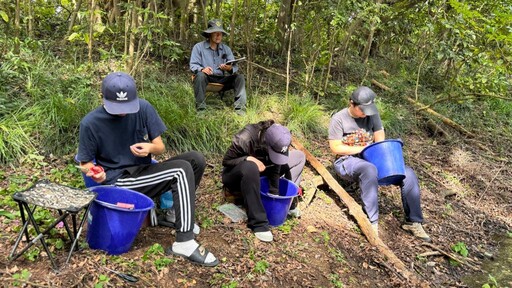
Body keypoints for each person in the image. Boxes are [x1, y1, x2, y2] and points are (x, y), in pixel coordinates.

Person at [77, 72, 219, 266]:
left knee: (196, 159)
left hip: (142, 171)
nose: (123, 112)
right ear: (103, 98)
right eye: (118, 107)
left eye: (126, 106)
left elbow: (160, 147)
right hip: (117, 180)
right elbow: (85, 164)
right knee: (180, 170)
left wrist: (150, 149)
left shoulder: (143, 108)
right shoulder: (90, 123)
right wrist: (97, 174)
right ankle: (184, 242)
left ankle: (172, 215)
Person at [328, 86, 431, 242]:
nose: (365, 114)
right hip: (346, 160)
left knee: (407, 173)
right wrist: (363, 148)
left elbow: (379, 139)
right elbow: (335, 147)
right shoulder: (339, 118)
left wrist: (381, 155)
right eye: (362, 110)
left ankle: (413, 221)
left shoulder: (372, 114)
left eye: (368, 110)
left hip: (371, 157)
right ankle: (372, 222)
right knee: (369, 169)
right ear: (351, 103)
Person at [222, 120, 306, 242]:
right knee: (251, 166)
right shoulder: (246, 138)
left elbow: (276, 167)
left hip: (263, 170)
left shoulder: (281, 138)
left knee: (299, 156)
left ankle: (288, 203)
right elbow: (226, 161)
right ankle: (258, 223)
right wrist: (248, 158)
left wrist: (274, 193)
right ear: (266, 142)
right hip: (237, 174)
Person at [189, 19, 247, 114]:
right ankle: (201, 110)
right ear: (209, 34)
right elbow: (193, 65)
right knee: (199, 76)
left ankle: (240, 110)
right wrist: (203, 69)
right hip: (206, 78)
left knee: (239, 78)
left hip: (222, 79)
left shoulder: (226, 49)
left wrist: (229, 68)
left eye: (220, 33)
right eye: (215, 33)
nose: (218, 36)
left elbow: (234, 66)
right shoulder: (198, 47)